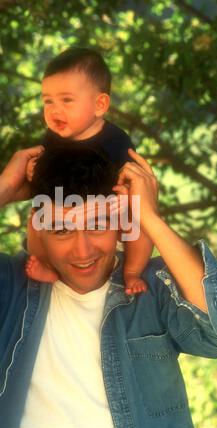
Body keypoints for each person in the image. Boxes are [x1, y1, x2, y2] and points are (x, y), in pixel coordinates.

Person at [0, 145, 217, 428]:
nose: (82, 250)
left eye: (97, 225)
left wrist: (149, 217)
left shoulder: (153, 288)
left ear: (121, 223)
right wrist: (2, 186)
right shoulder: (4, 288)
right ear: (38, 229)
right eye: (62, 230)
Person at [25, 47, 153, 295]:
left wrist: (122, 200)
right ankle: (46, 264)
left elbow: (134, 179)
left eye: (66, 100)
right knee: (36, 220)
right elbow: (44, 166)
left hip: (106, 211)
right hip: (63, 210)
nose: (54, 110)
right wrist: (33, 169)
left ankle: (132, 271)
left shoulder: (116, 140)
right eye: (48, 101)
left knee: (138, 224)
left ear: (100, 104)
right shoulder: (52, 137)